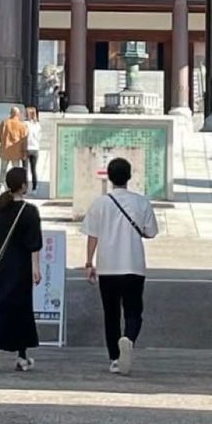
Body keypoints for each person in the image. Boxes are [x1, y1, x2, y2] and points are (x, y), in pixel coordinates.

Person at [82, 157, 158, 375]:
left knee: (111, 314)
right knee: (134, 311)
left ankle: (115, 358)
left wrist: (89, 262)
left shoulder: (99, 203)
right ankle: (129, 338)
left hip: (107, 267)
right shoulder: (141, 202)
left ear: (109, 177)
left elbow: (92, 235)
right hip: (133, 265)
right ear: (129, 176)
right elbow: (151, 232)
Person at [0, 165, 42, 374]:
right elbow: (34, 243)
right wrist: (36, 268)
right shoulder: (29, 211)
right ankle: (22, 356)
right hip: (21, 266)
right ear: (23, 186)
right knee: (20, 309)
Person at [0, 106, 29, 184]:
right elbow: (24, 141)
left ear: (11, 113)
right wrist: (25, 153)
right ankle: (15, 185)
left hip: (5, 151)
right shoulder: (22, 126)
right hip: (16, 153)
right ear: (18, 114)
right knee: (16, 170)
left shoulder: (4, 123)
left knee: (3, 169)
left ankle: (1, 185)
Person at [24, 106, 42, 192]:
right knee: (33, 169)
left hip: (27, 148)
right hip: (35, 148)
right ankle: (34, 187)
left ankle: (25, 188)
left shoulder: (25, 124)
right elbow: (39, 137)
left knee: (25, 170)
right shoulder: (38, 125)